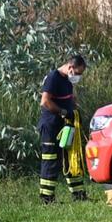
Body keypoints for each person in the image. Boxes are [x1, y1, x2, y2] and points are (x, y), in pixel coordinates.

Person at [38, 55, 88, 203]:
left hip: (66, 125)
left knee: (72, 158)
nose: (78, 77)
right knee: (51, 161)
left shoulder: (67, 80)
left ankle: (79, 195)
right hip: (51, 126)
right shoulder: (53, 77)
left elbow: (69, 98)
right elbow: (45, 101)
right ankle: (47, 198)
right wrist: (63, 112)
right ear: (70, 67)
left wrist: (74, 110)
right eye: (78, 73)